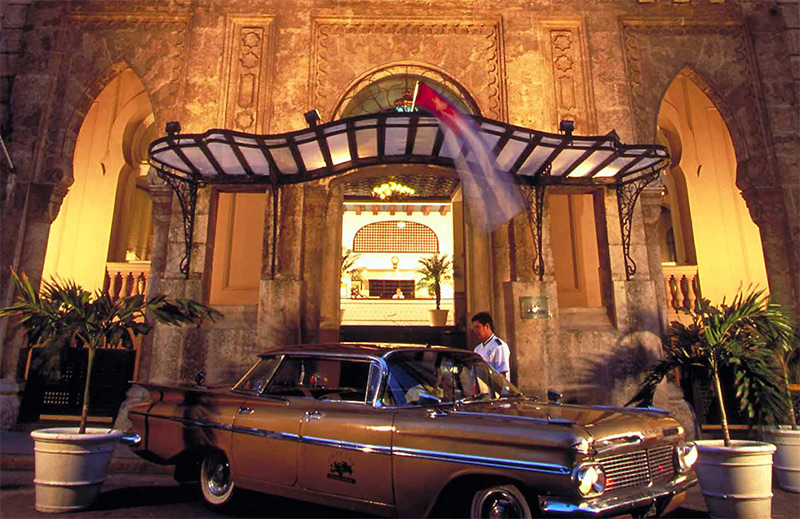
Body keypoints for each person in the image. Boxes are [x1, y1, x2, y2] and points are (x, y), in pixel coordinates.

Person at [471, 312, 511, 381]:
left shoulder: (498, 347)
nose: (475, 331)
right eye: (474, 328)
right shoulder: (477, 349)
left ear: (487, 326)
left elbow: (502, 374)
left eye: (477, 327)